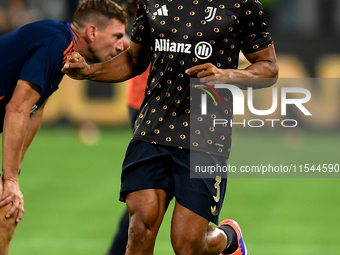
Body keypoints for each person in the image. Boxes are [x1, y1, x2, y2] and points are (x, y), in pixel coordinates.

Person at [63, 0, 279, 254]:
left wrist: (226, 74)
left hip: (205, 132)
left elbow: (269, 68)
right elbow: (135, 59)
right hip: (153, 126)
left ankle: (229, 239)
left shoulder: (242, 4)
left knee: (188, 245)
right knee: (139, 231)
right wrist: (90, 71)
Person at [0, 0, 126, 254]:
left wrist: (11, 177)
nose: (122, 45)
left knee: (6, 211)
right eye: (117, 36)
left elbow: (35, 112)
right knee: (6, 209)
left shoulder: (63, 48)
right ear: (92, 32)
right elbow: (17, 108)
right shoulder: (57, 43)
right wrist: (10, 180)